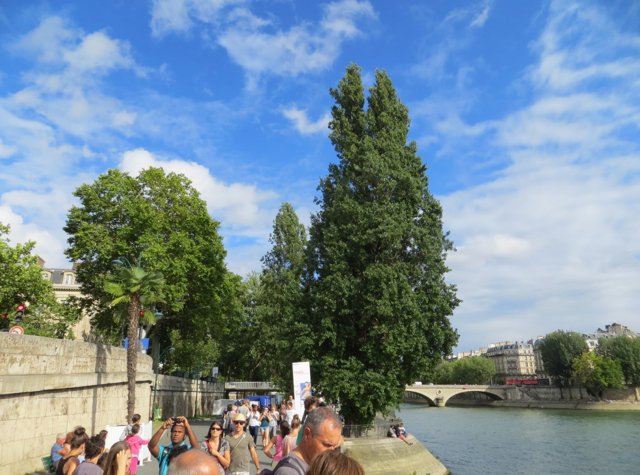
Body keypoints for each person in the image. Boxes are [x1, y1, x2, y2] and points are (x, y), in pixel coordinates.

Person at [273, 407, 343, 475]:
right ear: (307, 434)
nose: (332, 452)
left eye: (335, 446)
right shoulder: (288, 472)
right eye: (326, 445)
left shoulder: (315, 462)